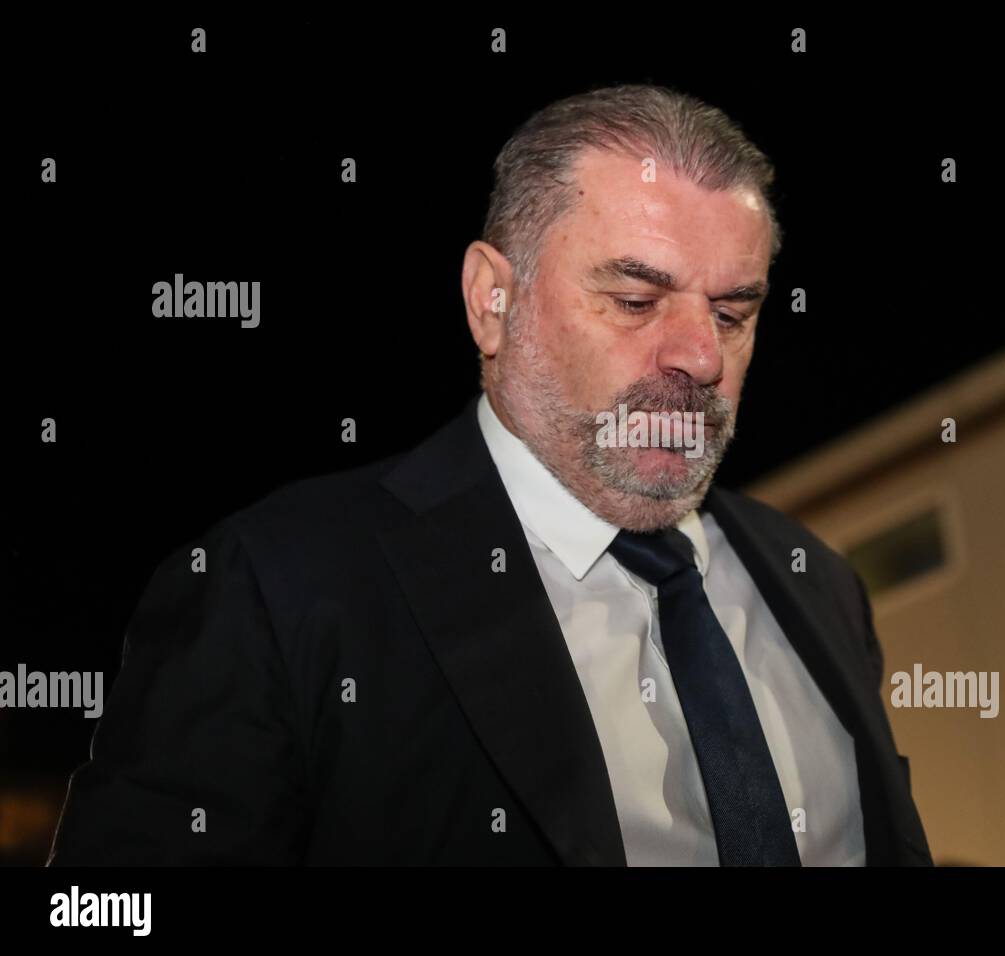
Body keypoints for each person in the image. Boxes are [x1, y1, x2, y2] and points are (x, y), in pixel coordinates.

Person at [47, 84, 933, 866]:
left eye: (733, 312)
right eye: (635, 300)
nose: (701, 356)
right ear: (491, 300)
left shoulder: (818, 585)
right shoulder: (275, 589)